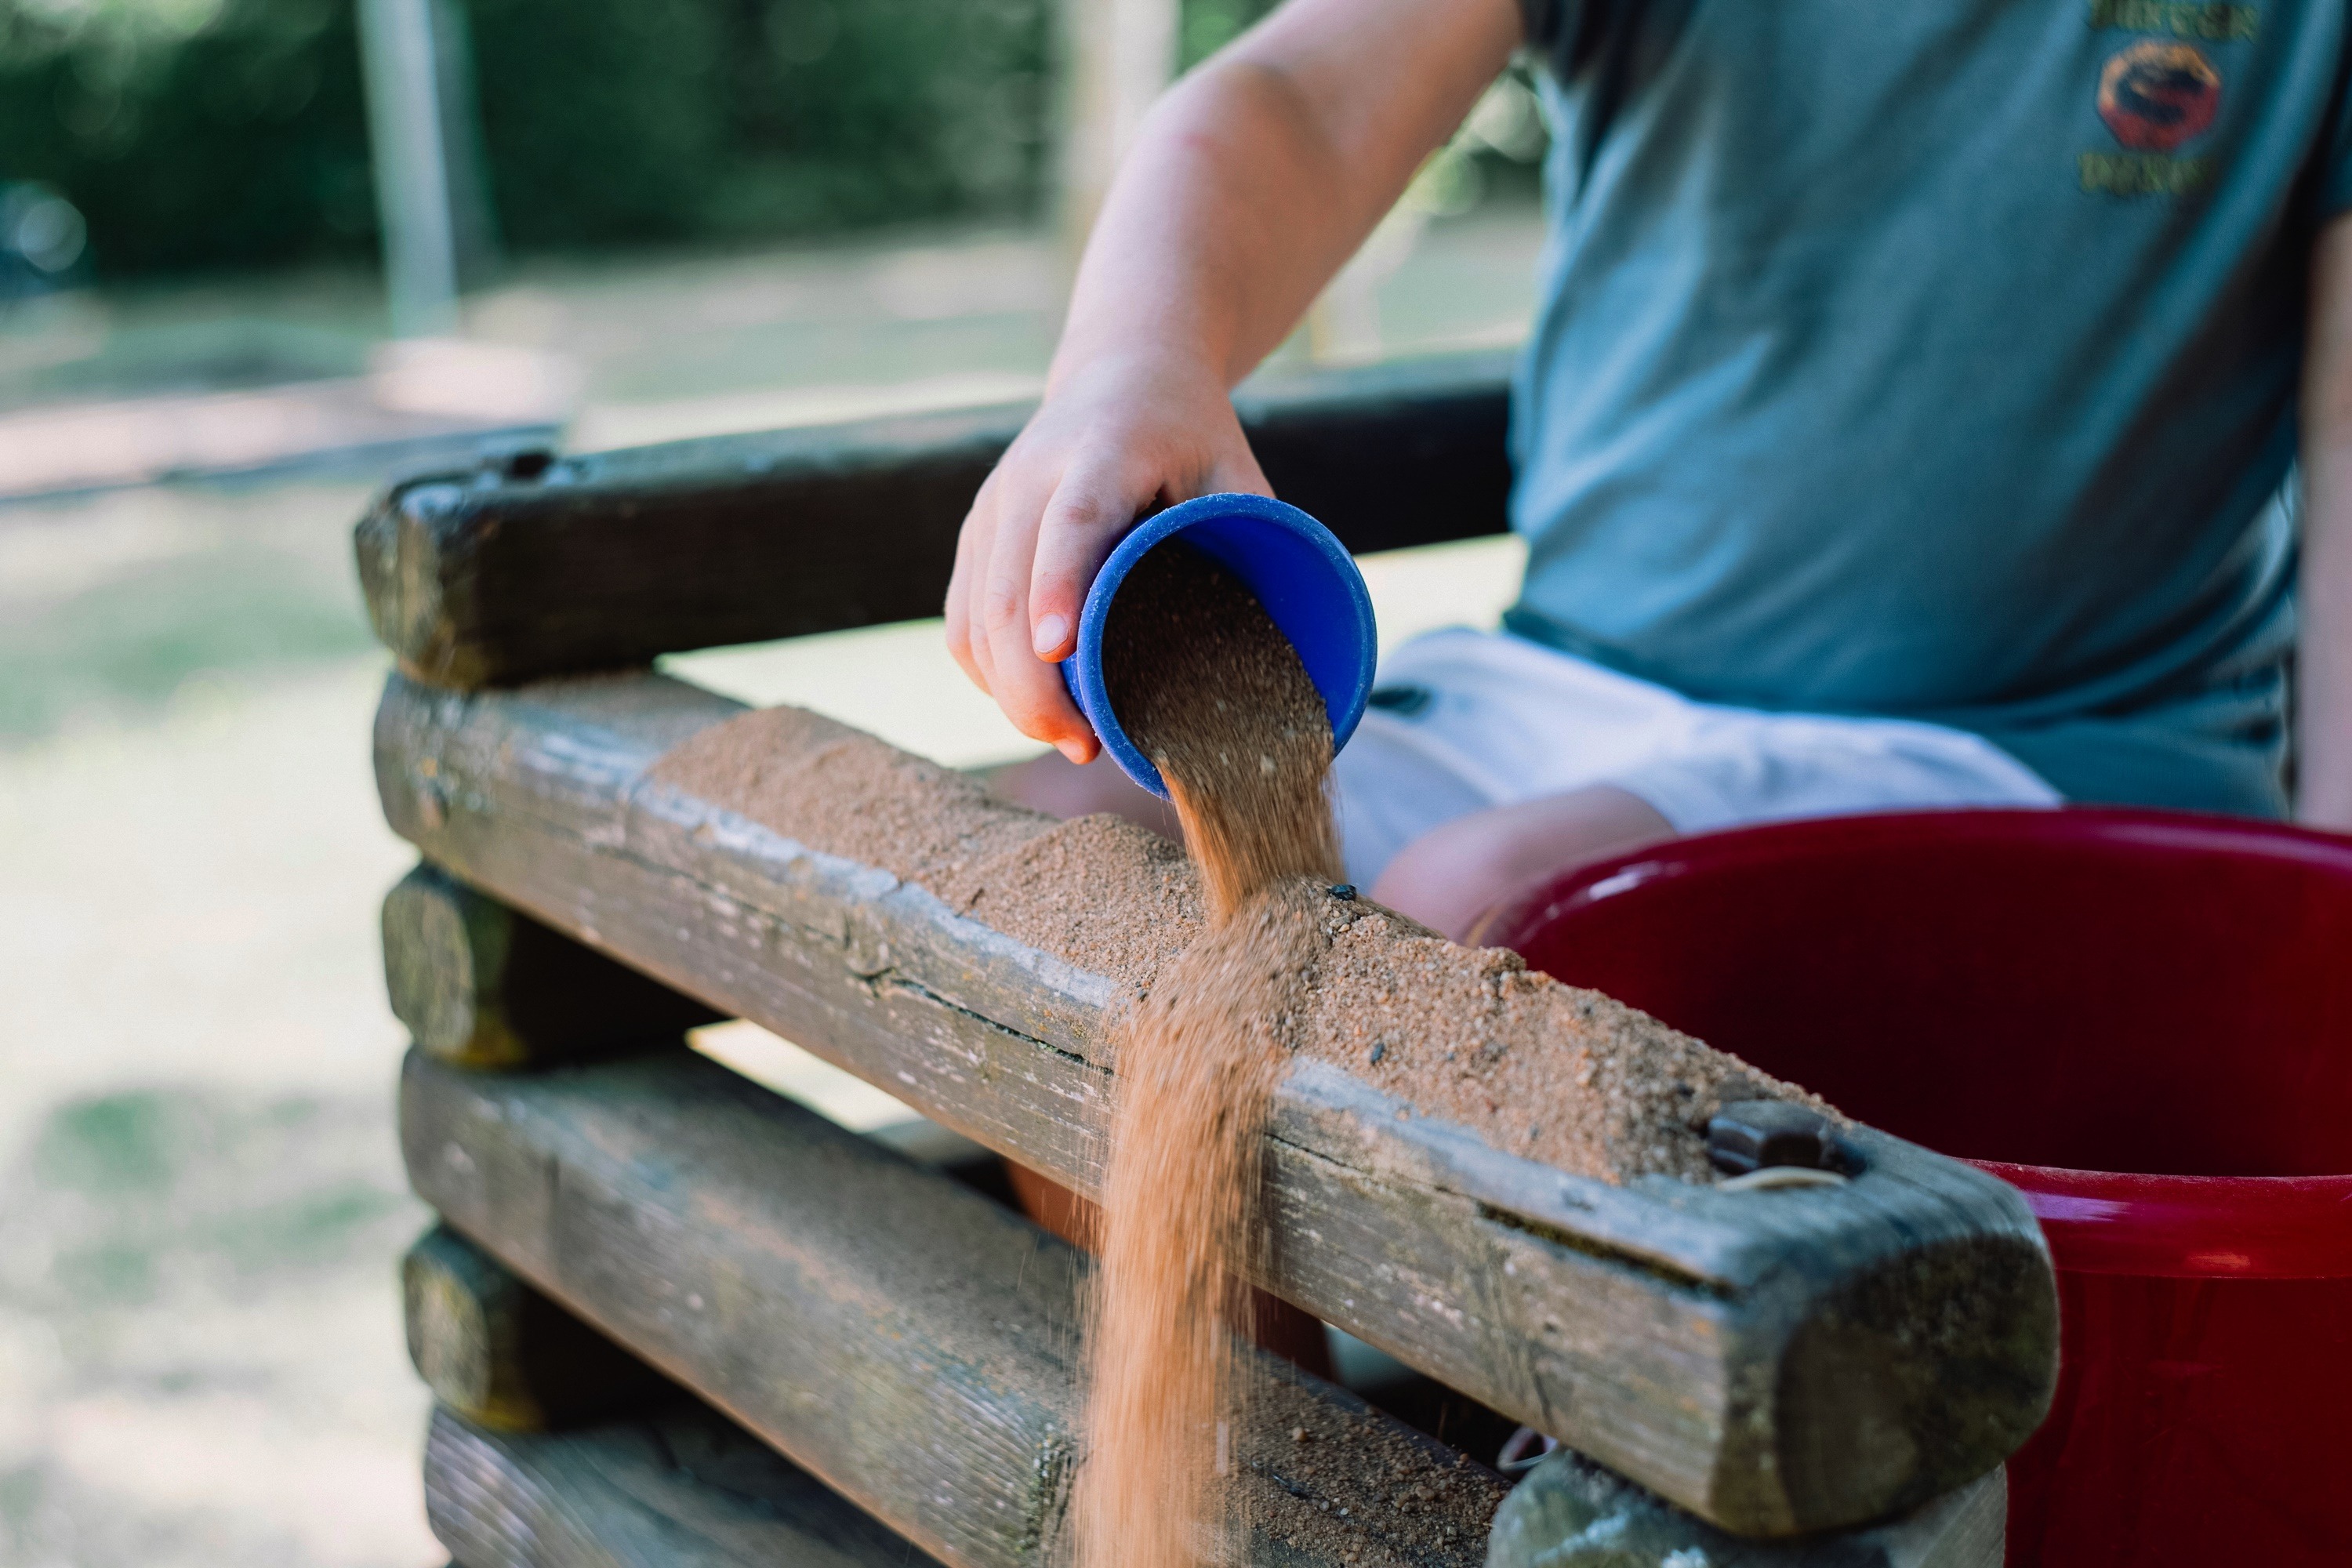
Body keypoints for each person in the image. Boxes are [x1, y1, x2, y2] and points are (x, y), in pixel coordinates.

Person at [946, 0, 2352, 941]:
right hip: (1569, 685)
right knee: (1068, 858)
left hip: (2042, 742)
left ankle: (1456, 1407)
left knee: (1499, 904)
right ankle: (1252, 1399)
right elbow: (1301, 97)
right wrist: (1138, 361)